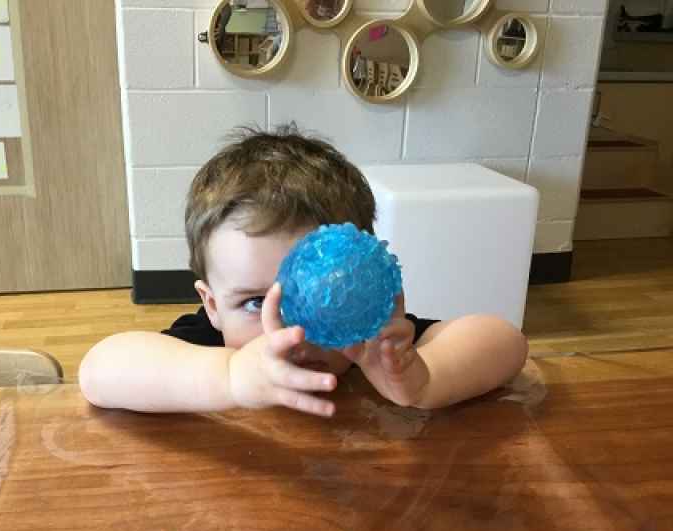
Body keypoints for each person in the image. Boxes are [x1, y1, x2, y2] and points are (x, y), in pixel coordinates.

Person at [79, 125, 528, 418]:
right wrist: (230, 378)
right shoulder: (212, 345)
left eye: (322, 295)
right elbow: (100, 370)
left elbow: (505, 342)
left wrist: (425, 379)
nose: (294, 331)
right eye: (256, 302)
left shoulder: (374, 345)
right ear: (212, 305)